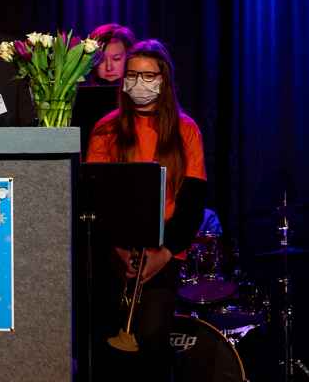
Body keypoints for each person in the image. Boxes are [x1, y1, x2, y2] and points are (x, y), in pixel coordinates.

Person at [85, 39, 206, 381]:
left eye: (148, 76)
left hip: (164, 252)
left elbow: (193, 201)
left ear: (164, 80)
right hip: (115, 251)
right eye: (133, 75)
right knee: (108, 350)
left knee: (152, 339)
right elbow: (95, 197)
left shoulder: (186, 130)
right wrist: (119, 249)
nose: (139, 82)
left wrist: (164, 253)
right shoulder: (106, 128)